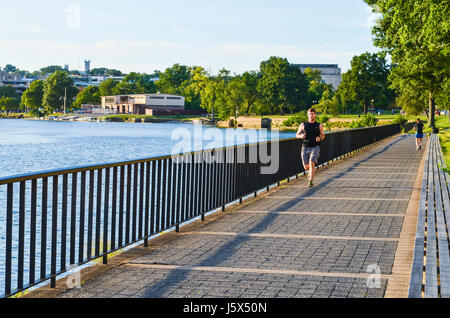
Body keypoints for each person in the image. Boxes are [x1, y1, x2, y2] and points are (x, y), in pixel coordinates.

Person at [296, 108, 325, 187]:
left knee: (312, 162)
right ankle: (311, 172)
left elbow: (323, 136)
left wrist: (320, 138)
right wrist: (301, 136)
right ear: (307, 115)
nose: (311, 115)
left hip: (315, 146)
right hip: (305, 146)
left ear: (315, 115)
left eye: (312, 114)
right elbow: (296, 135)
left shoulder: (319, 125)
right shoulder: (303, 125)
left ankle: (310, 181)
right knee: (306, 167)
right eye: (310, 114)